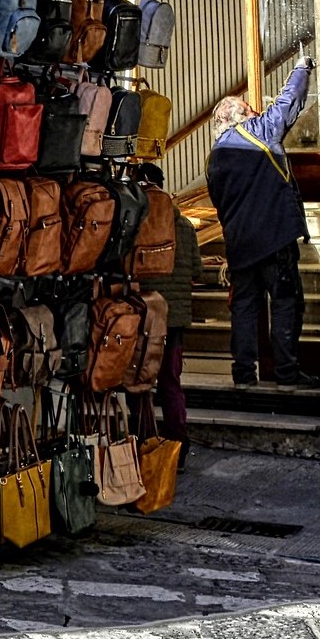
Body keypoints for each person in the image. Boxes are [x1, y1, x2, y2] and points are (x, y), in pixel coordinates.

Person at [206, 56, 319, 391]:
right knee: (286, 302)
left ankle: (244, 376)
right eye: (250, 107)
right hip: (273, 238)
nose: (256, 110)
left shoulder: (215, 157)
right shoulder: (257, 132)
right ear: (239, 116)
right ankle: (286, 374)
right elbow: (287, 103)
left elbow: (219, 203)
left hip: (240, 243)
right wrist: (301, 67)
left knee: (244, 308)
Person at [134, 163, 199, 469]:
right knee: (171, 382)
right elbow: (197, 270)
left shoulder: (137, 221)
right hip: (174, 319)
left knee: (139, 380)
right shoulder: (184, 224)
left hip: (145, 315)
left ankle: (143, 442)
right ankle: (178, 448)